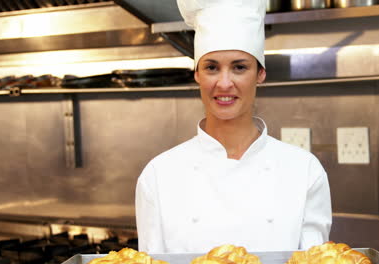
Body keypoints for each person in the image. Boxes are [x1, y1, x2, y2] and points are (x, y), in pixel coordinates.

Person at [135, 0, 332, 254]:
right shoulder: (158, 176)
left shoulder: (304, 171)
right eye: (211, 68)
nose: (224, 83)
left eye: (239, 67)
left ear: (260, 74)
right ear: (197, 74)